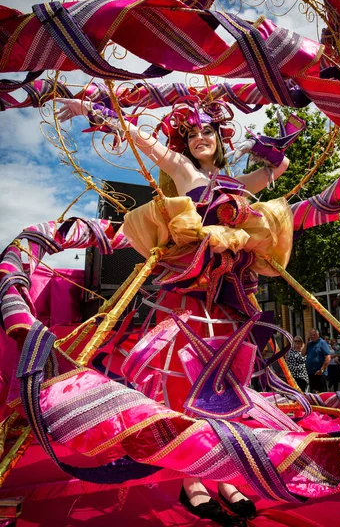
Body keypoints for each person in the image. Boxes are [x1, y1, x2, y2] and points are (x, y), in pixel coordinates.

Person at [55, 96, 296, 526]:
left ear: (221, 138)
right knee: (185, 381)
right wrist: (87, 109)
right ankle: (191, 481)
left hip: (232, 291)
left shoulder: (236, 180)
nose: (200, 137)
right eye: (191, 133)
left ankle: (225, 475)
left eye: (207, 131)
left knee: (230, 381)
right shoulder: (183, 171)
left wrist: (279, 145)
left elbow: (279, 169)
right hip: (190, 288)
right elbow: (140, 138)